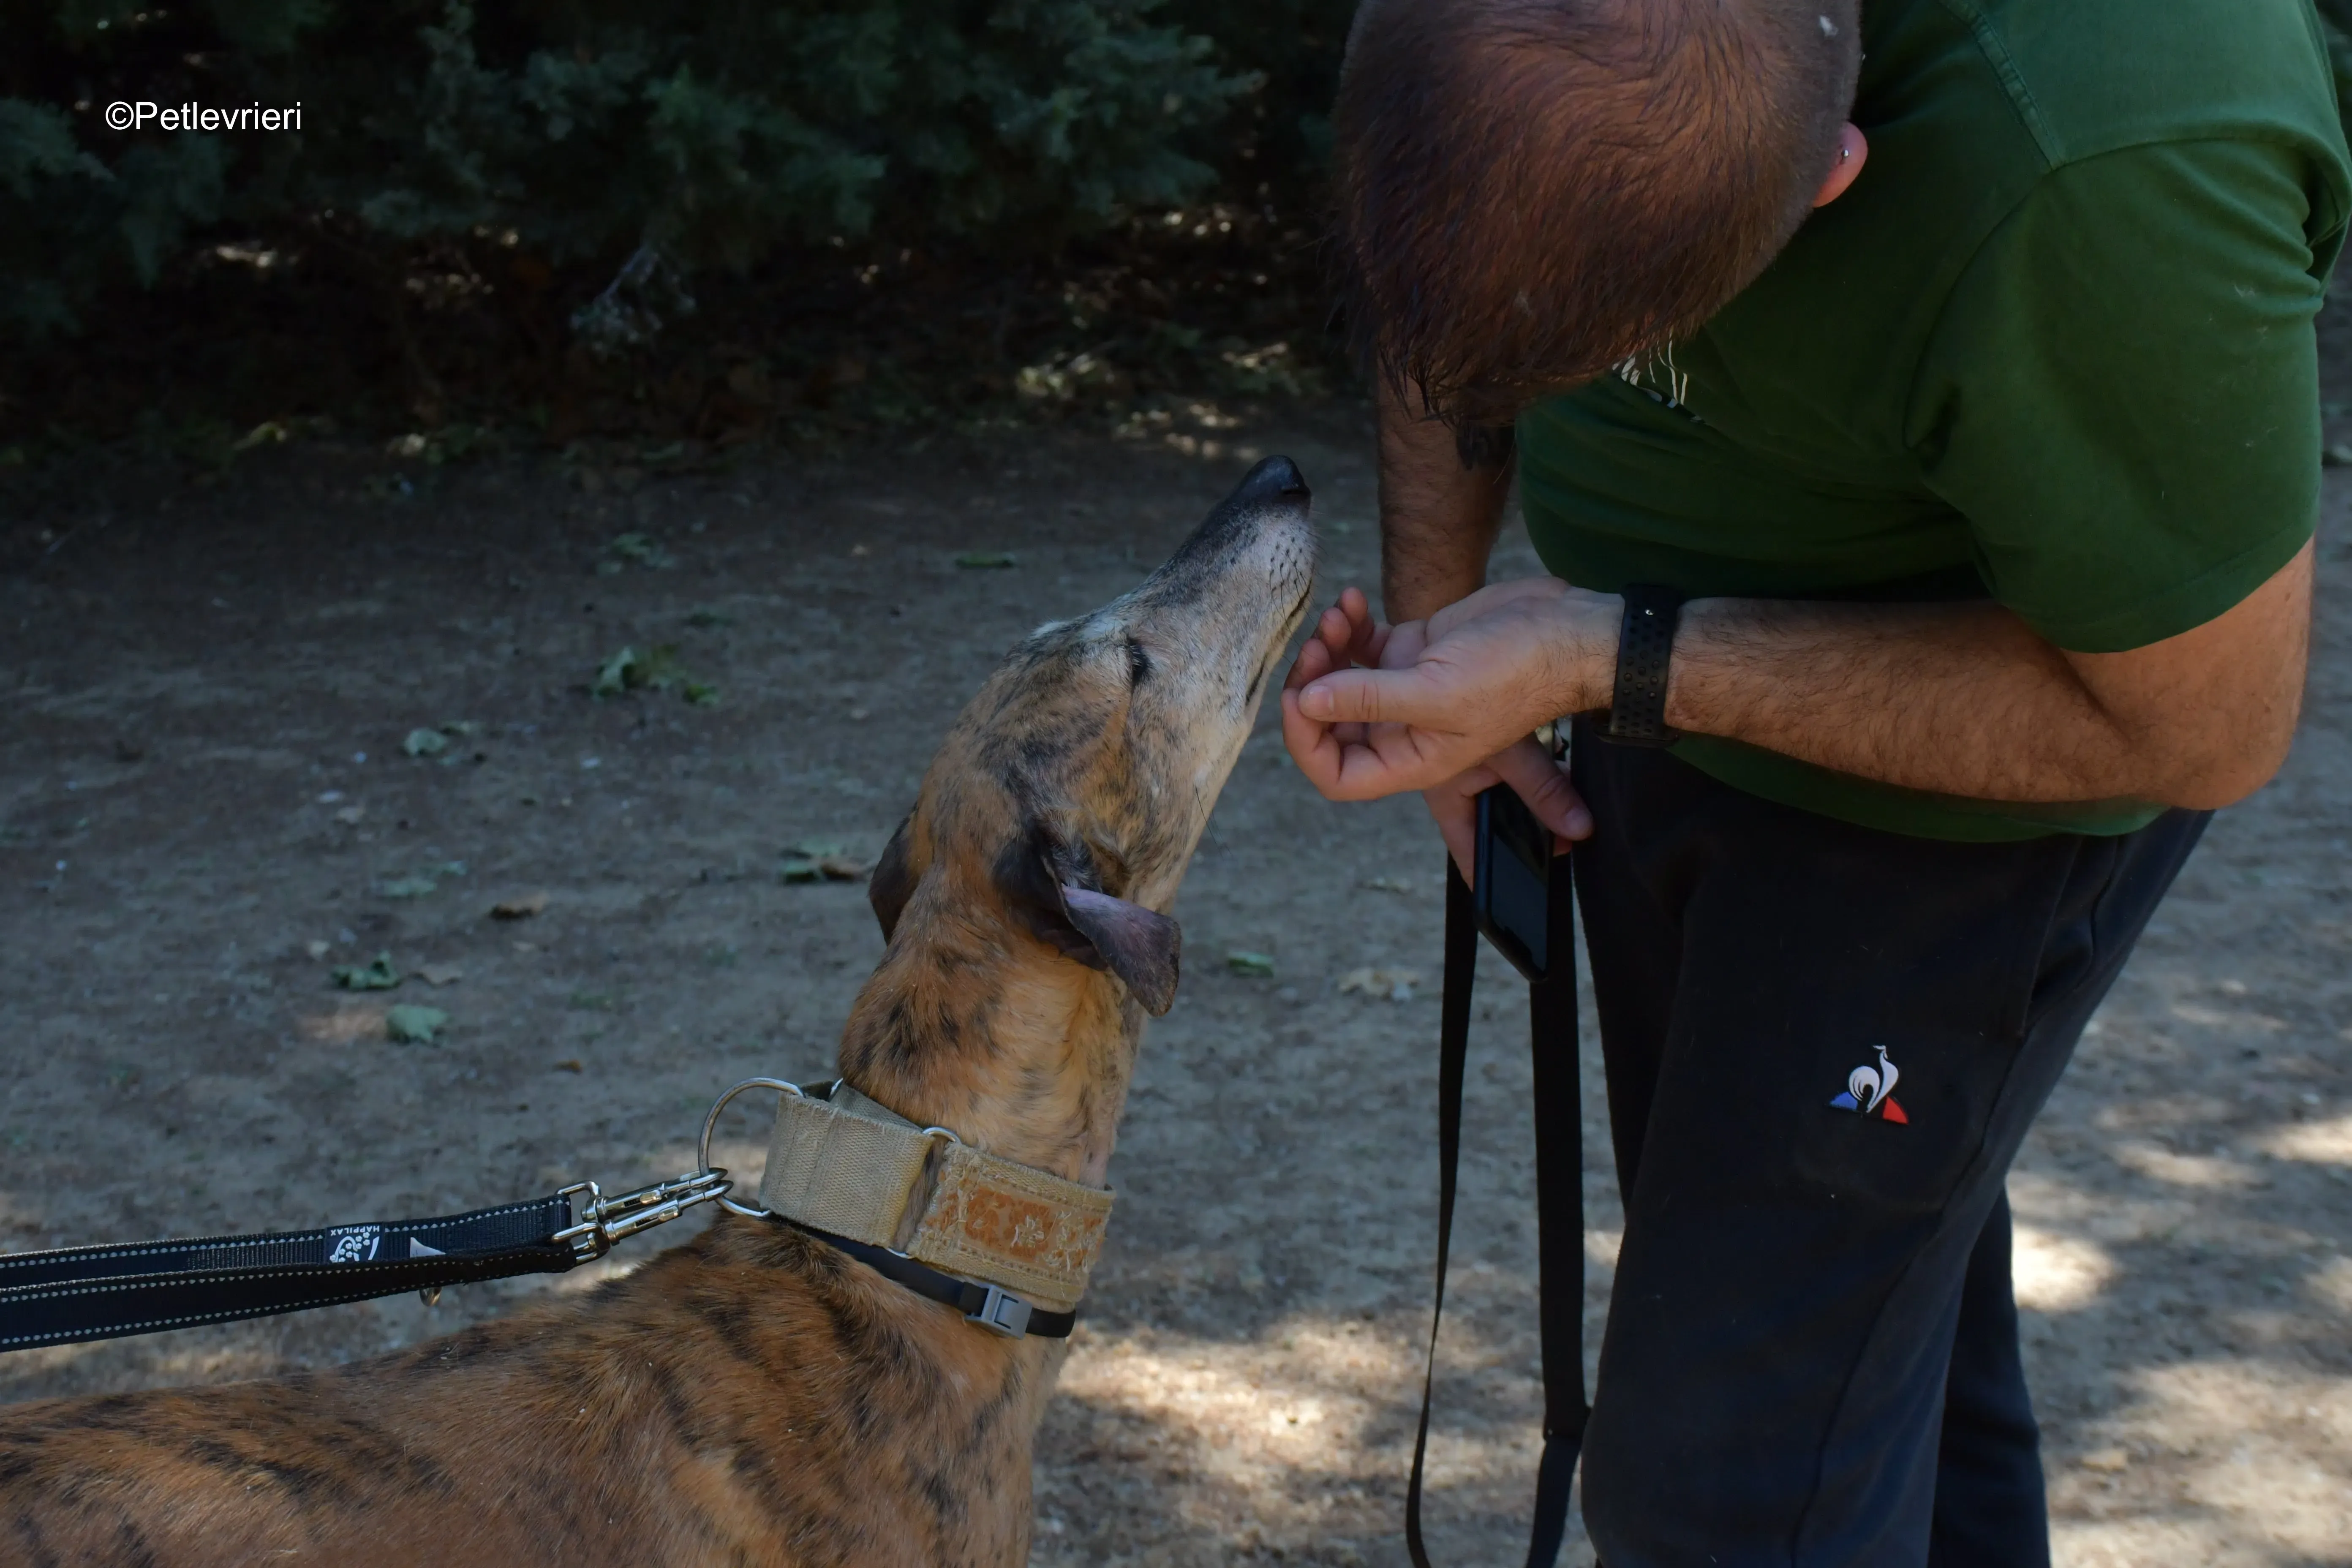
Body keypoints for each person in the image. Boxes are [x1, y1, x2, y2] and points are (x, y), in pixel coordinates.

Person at [1280, 0, 2348, 1563]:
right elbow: (1442, 276)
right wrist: (1451, 637)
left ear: (1840, 171)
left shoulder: (2111, 141)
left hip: (1964, 795)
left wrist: (1616, 656)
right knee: (1871, 1356)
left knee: (1725, 1484)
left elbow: (2204, 727)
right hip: (1637, 699)